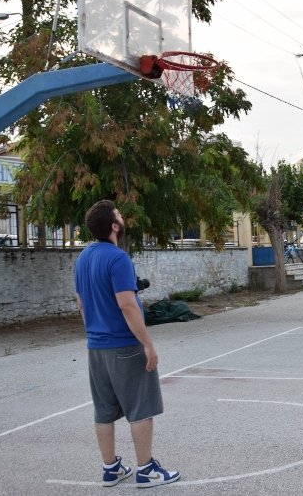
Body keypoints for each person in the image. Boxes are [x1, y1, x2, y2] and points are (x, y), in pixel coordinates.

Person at [74, 200, 180, 488]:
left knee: (104, 411)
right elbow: (127, 304)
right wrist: (147, 343)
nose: (122, 216)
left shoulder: (83, 258)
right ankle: (145, 470)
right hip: (124, 345)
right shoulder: (118, 258)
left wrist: (95, 333)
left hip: (96, 347)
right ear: (114, 226)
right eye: (118, 214)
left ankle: (110, 468)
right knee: (140, 408)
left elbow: (82, 303)